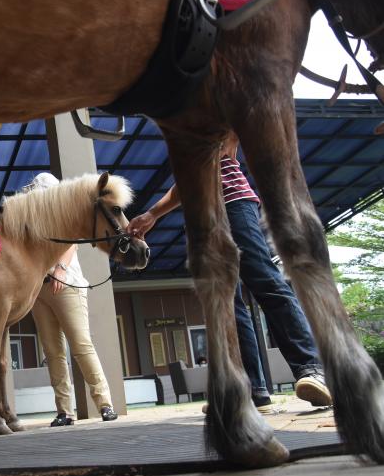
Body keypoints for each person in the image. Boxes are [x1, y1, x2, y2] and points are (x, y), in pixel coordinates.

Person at [127, 133, 332, 411]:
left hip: (233, 202)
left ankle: (311, 370)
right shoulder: (180, 129)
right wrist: (152, 214)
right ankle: (248, 391)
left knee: (265, 281)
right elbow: (186, 182)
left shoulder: (217, 110)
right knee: (226, 304)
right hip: (199, 216)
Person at [26, 173, 119, 426]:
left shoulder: (63, 214)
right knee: (52, 352)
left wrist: (60, 269)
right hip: (40, 290)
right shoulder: (33, 217)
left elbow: (73, 244)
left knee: (81, 345)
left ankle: (105, 404)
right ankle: (64, 411)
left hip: (67, 284)